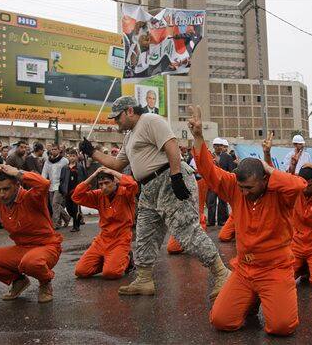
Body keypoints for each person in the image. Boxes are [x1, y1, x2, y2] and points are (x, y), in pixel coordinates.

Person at [79, 97, 230, 300]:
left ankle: (222, 273)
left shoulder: (150, 120)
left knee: (186, 229)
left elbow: (171, 145)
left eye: (117, 117)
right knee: (144, 233)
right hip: (149, 187)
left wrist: (176, 176)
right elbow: (116, 164)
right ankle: (144, 278)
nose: (116, 122)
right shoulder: (129, 136)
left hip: (167, 178)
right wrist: (91, 151)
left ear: (129, 111)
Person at [188, 105, 306, 336]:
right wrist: (199, 137)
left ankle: (266, 297)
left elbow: (299, 185)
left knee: (282, 328)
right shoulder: (235, 187)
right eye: (241, 188)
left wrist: (270, 168)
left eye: (249, 187)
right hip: (244, 269)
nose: (243, 193)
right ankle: (252, 300)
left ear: (264, 180)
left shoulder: (280, 191)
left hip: (276, 269)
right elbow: (208, 170)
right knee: (221, 321)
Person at [0, 164, 62, 303]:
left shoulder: (31, 198)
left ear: (16, 185)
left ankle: (45, 282)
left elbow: (43, 184)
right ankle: (18, 281)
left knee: (31, 262)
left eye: (6, 189)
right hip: (22, 250)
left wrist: (17, 172)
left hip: (47, 247)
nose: (2, 194)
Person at [72, 167, 138, 279]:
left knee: (111, 273)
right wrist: (93, 176)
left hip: (121, 238)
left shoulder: (125, 193)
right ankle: (109, 260)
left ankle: (126, 259)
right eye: (100, 184)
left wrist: (112, 171)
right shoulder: (98, 195)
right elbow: (76, 196)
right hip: (103, 239)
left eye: (107, 183)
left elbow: (133, 184)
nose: (104, 187)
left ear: (115, 181)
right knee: (81, 271)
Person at [41, 143, 69, 230]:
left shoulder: (64, 161)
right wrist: (42, 183)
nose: (53, 151)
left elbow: (67, 173)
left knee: (55, 204)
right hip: (51, 185)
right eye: (52, 149)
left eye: (55, 149)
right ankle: (67, 218)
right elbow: (44, 174)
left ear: (59, 150)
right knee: (55, 205)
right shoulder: (47, 161)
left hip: (60, 186)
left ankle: (55, 223)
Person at [207, 137, 233, 227]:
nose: (218, 147)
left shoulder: (227, 157)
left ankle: (222, 220)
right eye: (217, 145)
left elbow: (231, 170)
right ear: (213, 146)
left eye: (220, 146)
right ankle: (211, 221)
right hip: (212, 183)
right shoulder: (209, 156)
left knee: (223, 202)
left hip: (223, 183)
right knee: (211, 202)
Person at [59, 148, 87, 232]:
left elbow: (84, 178)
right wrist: (61, 189)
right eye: (70, 156)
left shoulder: (80, 167)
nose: (72, 158)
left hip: (76, 191)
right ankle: (78, 217)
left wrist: (83, 188)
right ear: (67, 157)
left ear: (76, 157)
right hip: (68, 191)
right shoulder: (65, 168)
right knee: (69, 209)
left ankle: (76, 226)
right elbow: (62, 179)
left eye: (73, 156)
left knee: (76, 209)